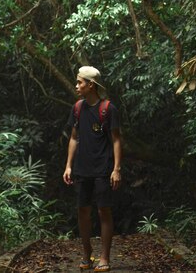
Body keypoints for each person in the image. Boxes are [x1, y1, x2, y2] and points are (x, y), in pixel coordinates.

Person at [63, 66, 122, 272]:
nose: (77, 86)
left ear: (91, 85)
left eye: (80, 82)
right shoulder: (78, 108)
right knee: (83, 211)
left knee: (103, 210)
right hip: (81, 169)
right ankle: (87, 253)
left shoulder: (107, 109)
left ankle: (104, 257)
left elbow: (116, 140)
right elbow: (73, 138)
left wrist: (116, 168)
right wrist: (68, 166)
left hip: (103, 169)